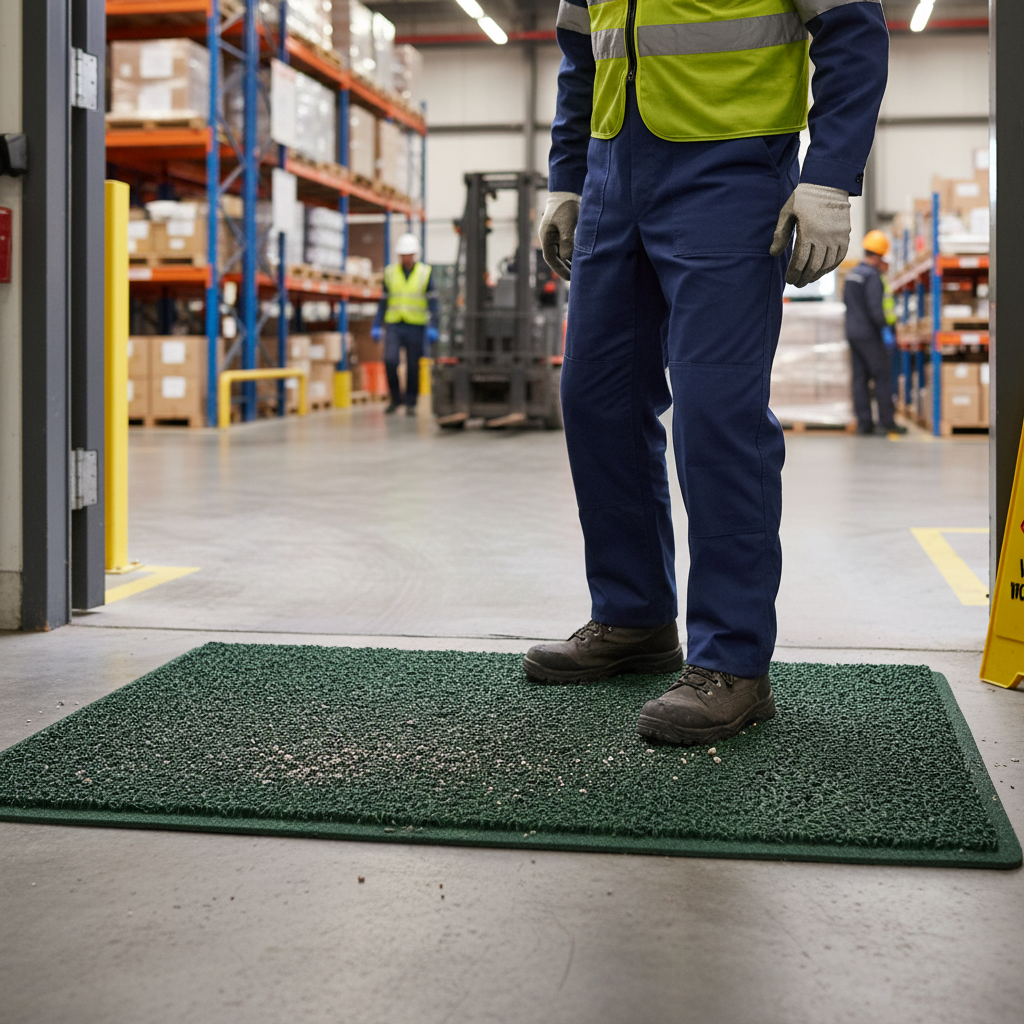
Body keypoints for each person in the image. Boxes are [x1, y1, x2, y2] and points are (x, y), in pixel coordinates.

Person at [523, 1, 889, 746]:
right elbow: (579, 55)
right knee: (597, 400)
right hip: (611, 178)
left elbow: (854, 26)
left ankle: (732, 663)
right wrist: (566, 178)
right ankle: (634, 616)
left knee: (714, 409)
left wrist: (829, 176)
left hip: (731, 171)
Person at [843, 230, 906, 435]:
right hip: (870, 334)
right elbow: (875, 309)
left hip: (852, 333)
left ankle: (864, 424)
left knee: (860, 378)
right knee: (882, 376)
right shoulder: (872, 277)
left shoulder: (852, 275)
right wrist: (886, 330)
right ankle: (886, 421)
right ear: (878, 256)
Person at [372, 233, 439, 414]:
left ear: (415, 255)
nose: (406, 258)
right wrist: (377, 324)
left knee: (413, 365)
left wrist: (433, 326)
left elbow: (433, 302)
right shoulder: (390, 272)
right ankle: (395, 398)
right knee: (390, 360)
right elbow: (384, 301)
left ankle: (411, 402)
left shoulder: (425, 273)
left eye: (409, 254)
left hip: (416, 326)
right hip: (394, 324)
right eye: (403, 255)